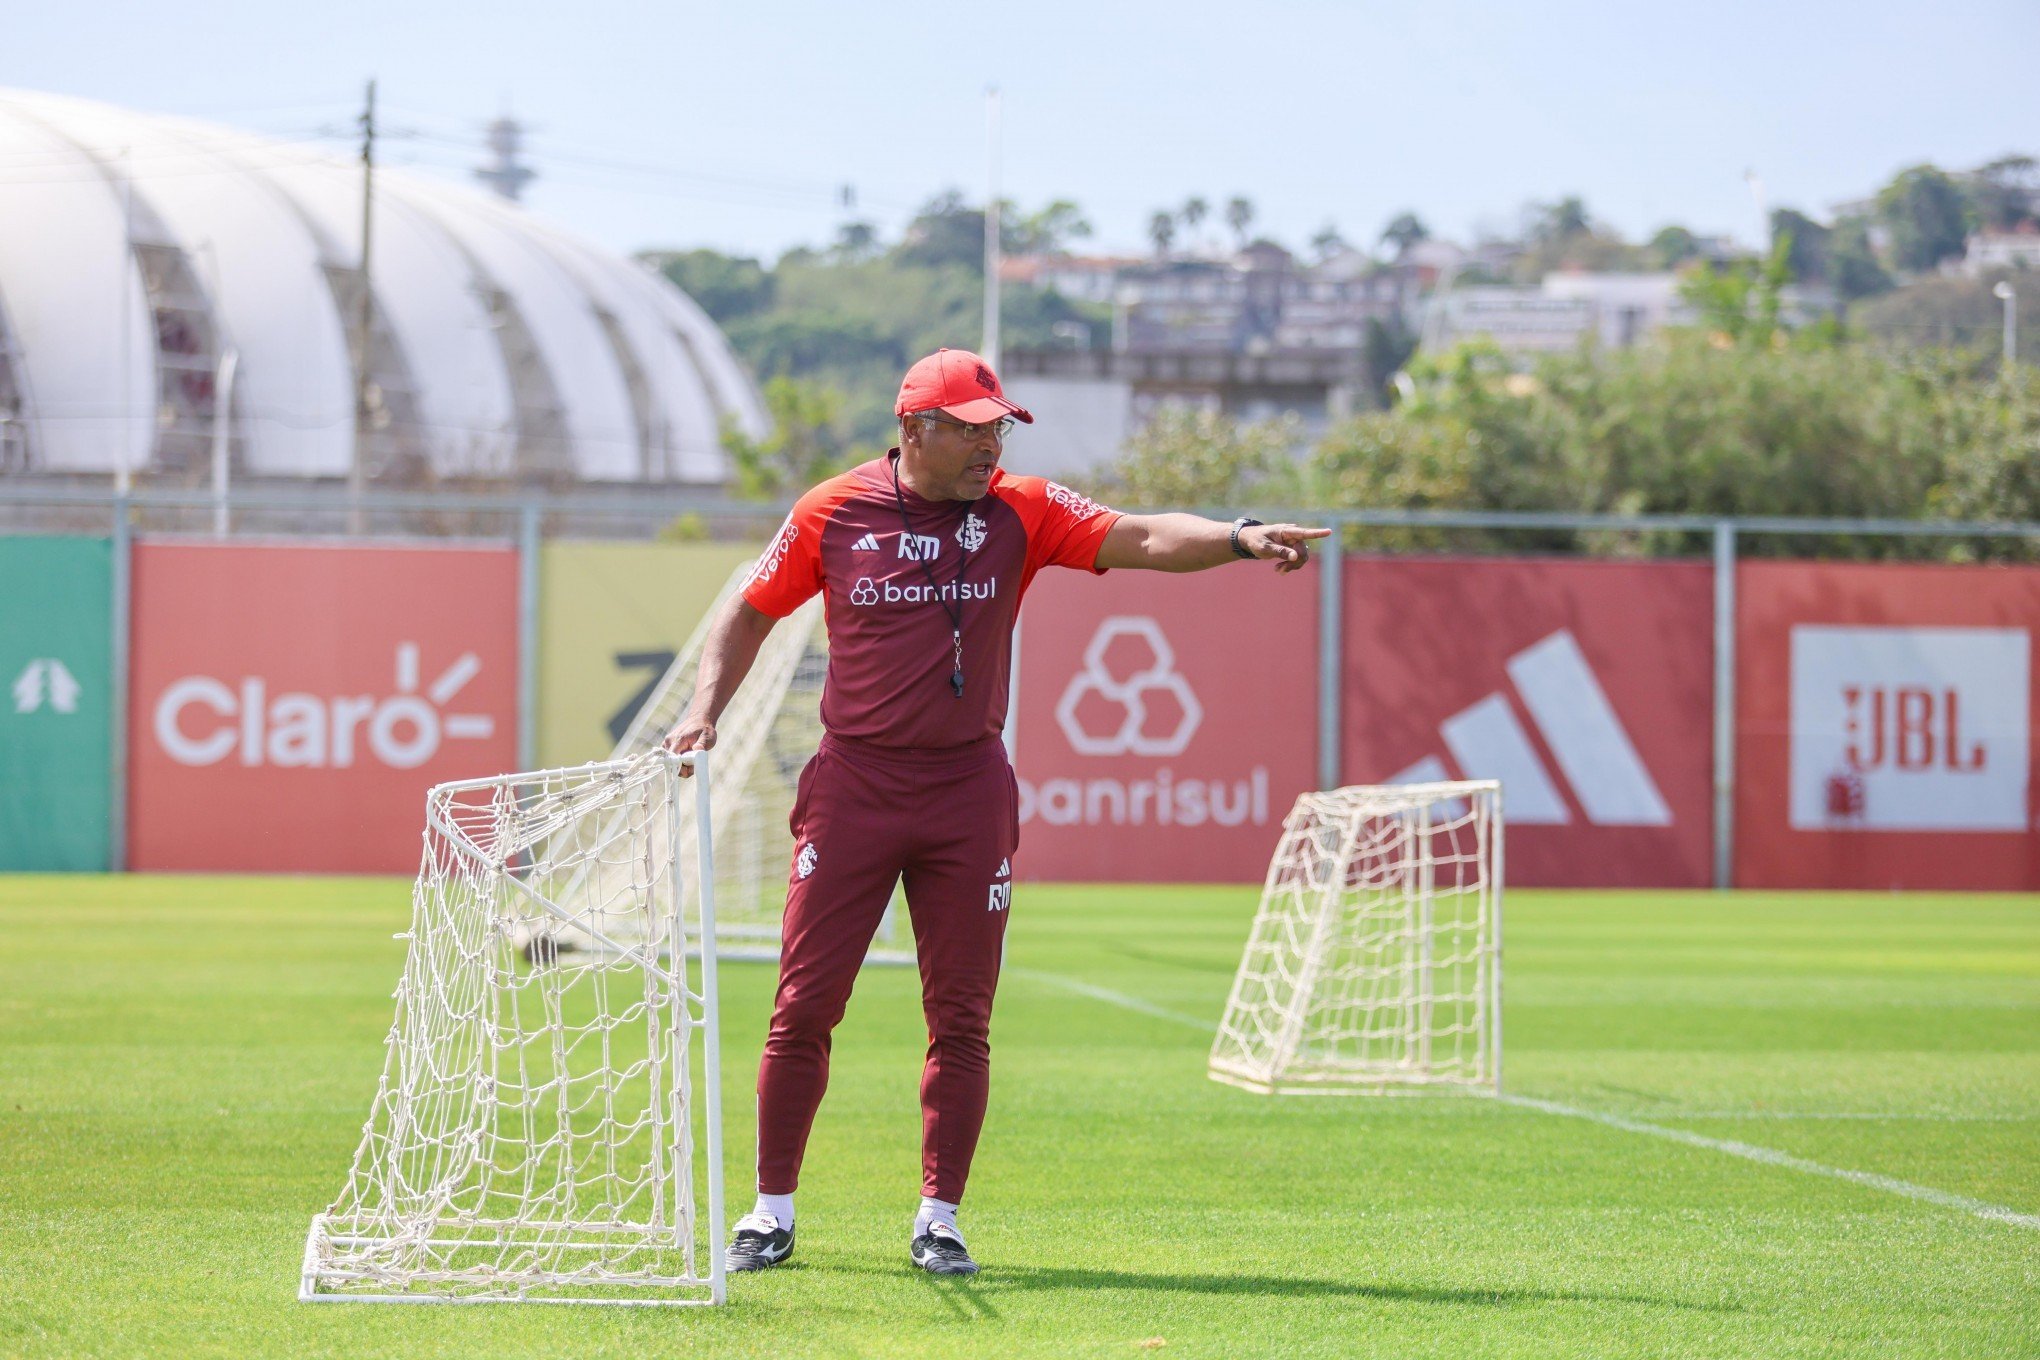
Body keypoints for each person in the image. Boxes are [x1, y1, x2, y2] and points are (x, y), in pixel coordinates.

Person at [664, 347, 1327, 1277]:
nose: (990, 448)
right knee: (803, 1007)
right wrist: (703, 713)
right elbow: (749, 613)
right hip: (853, 786)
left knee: (962, 1017)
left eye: (998, 429)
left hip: (967, 791)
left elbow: (1140, 537)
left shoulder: (1024, 508)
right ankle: (770, 1212)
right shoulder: (832, 510)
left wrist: (1239, 535)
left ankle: (940, 1217)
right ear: (913, 432)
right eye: (971, 431)